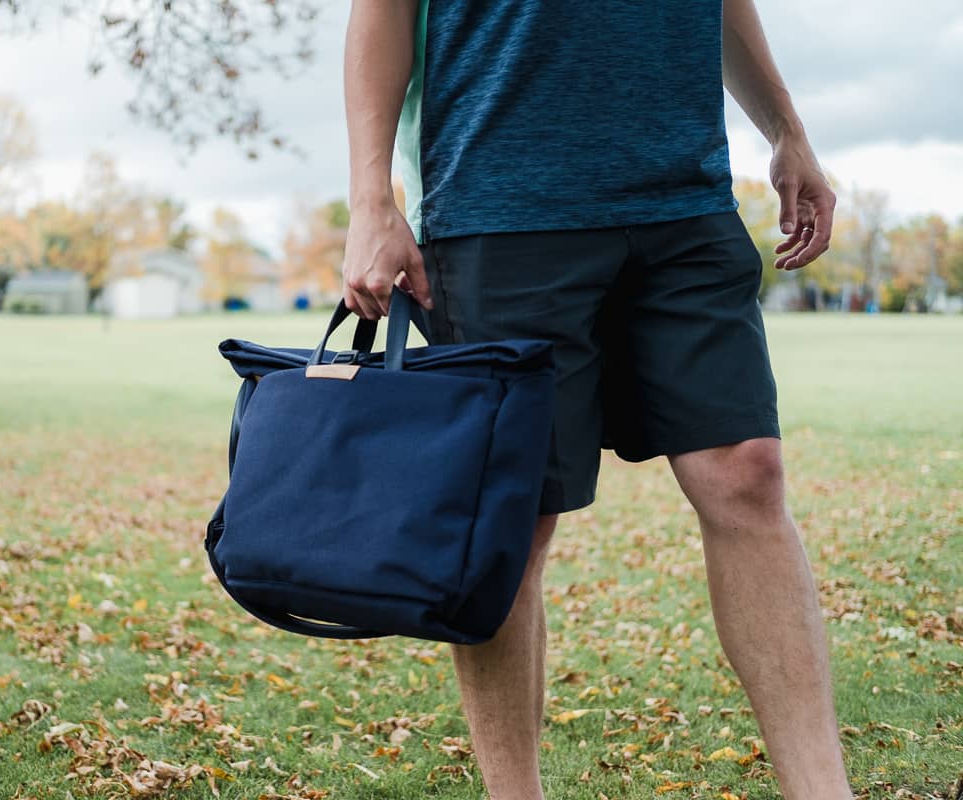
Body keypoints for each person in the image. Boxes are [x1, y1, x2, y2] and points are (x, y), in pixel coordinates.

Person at [340, 2, 852, 799]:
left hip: (683, 195)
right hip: (497, 206)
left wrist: (786, 129)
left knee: (748, 473)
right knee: (513, 523)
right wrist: (371, 198)